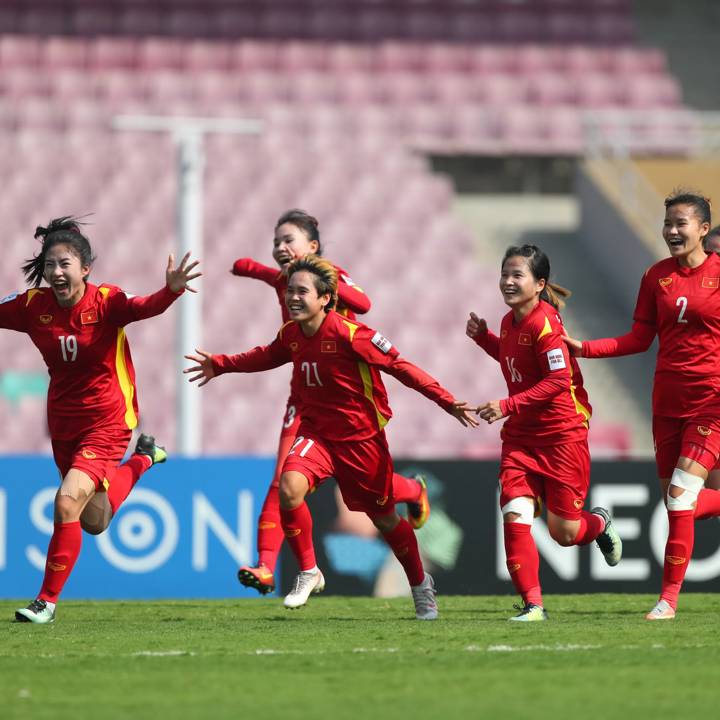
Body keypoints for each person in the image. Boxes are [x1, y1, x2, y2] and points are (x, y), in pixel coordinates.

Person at [185, 254, 477, 620]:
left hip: (361, 441)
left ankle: (420, 584)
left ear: (325, 298)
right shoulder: (292, 335)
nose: (293, 297)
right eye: (290, 290)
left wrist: (448, 401)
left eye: (302, 291)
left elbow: (403, 368)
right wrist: (221, 364)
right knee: (289, 487)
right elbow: (266, 355)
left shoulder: (353, 336)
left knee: (385, 520)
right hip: (317, 434)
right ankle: (309, 571)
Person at [0, 216, 200, 624]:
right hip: (64, 423)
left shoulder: (106, 301)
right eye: (51, 264)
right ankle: (144, 459)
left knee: (66, 500)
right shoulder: (32, 306)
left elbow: (144, 306)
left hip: (109, 419)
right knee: (95, 520)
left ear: (85, 268)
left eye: (65, 264)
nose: (57, 272)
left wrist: (171, 290)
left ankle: (45, 603)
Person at [230, 209, 430, 596]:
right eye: (275, 242)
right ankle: (266, 566)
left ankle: (413, 491)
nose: (280, 248)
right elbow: (258, 270)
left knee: (375, 494)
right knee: (283, 479)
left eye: (288, 240)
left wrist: (324, 278)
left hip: (348, 399)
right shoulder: (286, 282)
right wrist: (249, 267)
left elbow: (364, 303)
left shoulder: (325, 277)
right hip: (305, 395)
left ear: (313, 247)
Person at [564, 191, 720, 620]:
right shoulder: (656, 277)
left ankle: (667, 600)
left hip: (712, 402)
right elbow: (639, 337)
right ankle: (668, 595)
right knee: (678, 504)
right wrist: (586, 349)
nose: (671, 230)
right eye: (668, 222)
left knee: (680, 494)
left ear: (703, 230)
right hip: (667, 403)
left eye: (681, 223)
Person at [467, 244, 622, 622]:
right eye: (505, 273)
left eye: (517, 275)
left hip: (561, 436)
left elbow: (557, 380)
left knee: (565, 534)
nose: (507, 281)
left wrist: (506, 405)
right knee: (515, 511)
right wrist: (485, 339)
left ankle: (599, 523)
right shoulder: (509, 321)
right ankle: (533, 605)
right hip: (521, 437)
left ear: (539, 284)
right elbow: (516, 361)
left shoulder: (545, 323)